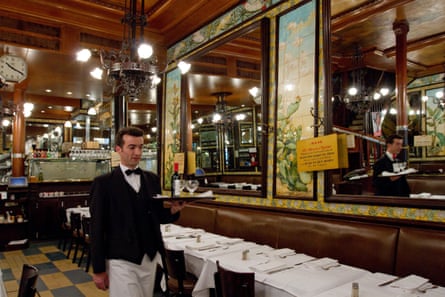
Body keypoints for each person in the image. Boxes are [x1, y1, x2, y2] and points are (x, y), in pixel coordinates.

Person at [90, 126, 185, 297]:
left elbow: (157, 216)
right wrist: (98, 269)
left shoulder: (152, 179)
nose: (137, 152)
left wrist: (173, 210)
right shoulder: (103, 184)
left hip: (149, 257)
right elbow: (96, 228)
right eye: (132, 147)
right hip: (121, 259)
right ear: (118, 149)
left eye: (141, 147)